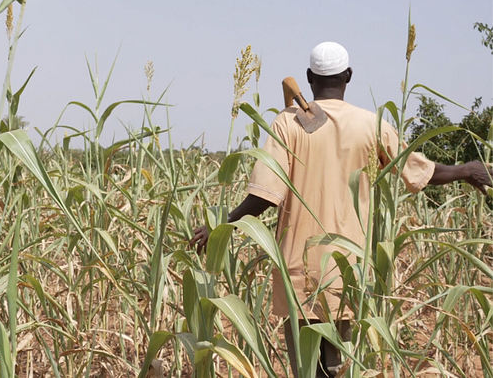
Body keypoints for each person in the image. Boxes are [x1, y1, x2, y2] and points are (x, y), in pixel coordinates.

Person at [189, 41, 493, 378]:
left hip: (299, 271)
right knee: (337, 369)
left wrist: (222, 225)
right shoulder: (371, 124)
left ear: (309, 77)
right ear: (348, 76)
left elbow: (264, 196)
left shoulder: (286, 124)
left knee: (306, 369)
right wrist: (465, 169)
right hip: (347, 270)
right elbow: (420, 171)